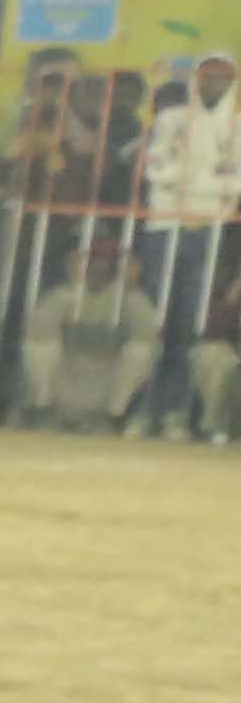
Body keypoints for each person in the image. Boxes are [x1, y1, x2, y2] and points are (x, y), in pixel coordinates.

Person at [134, 52, 236, 437]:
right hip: (165, 226)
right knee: (153, 323)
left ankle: (175, 412)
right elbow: (155, 170)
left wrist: (188, 176)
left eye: (223, 77)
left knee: (189, 326)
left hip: (207, 230)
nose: (214, 83)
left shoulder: (237, 126)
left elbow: (237, 182)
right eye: (208, 75)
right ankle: (143, 410)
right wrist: (209, 177)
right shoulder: (172, 118)